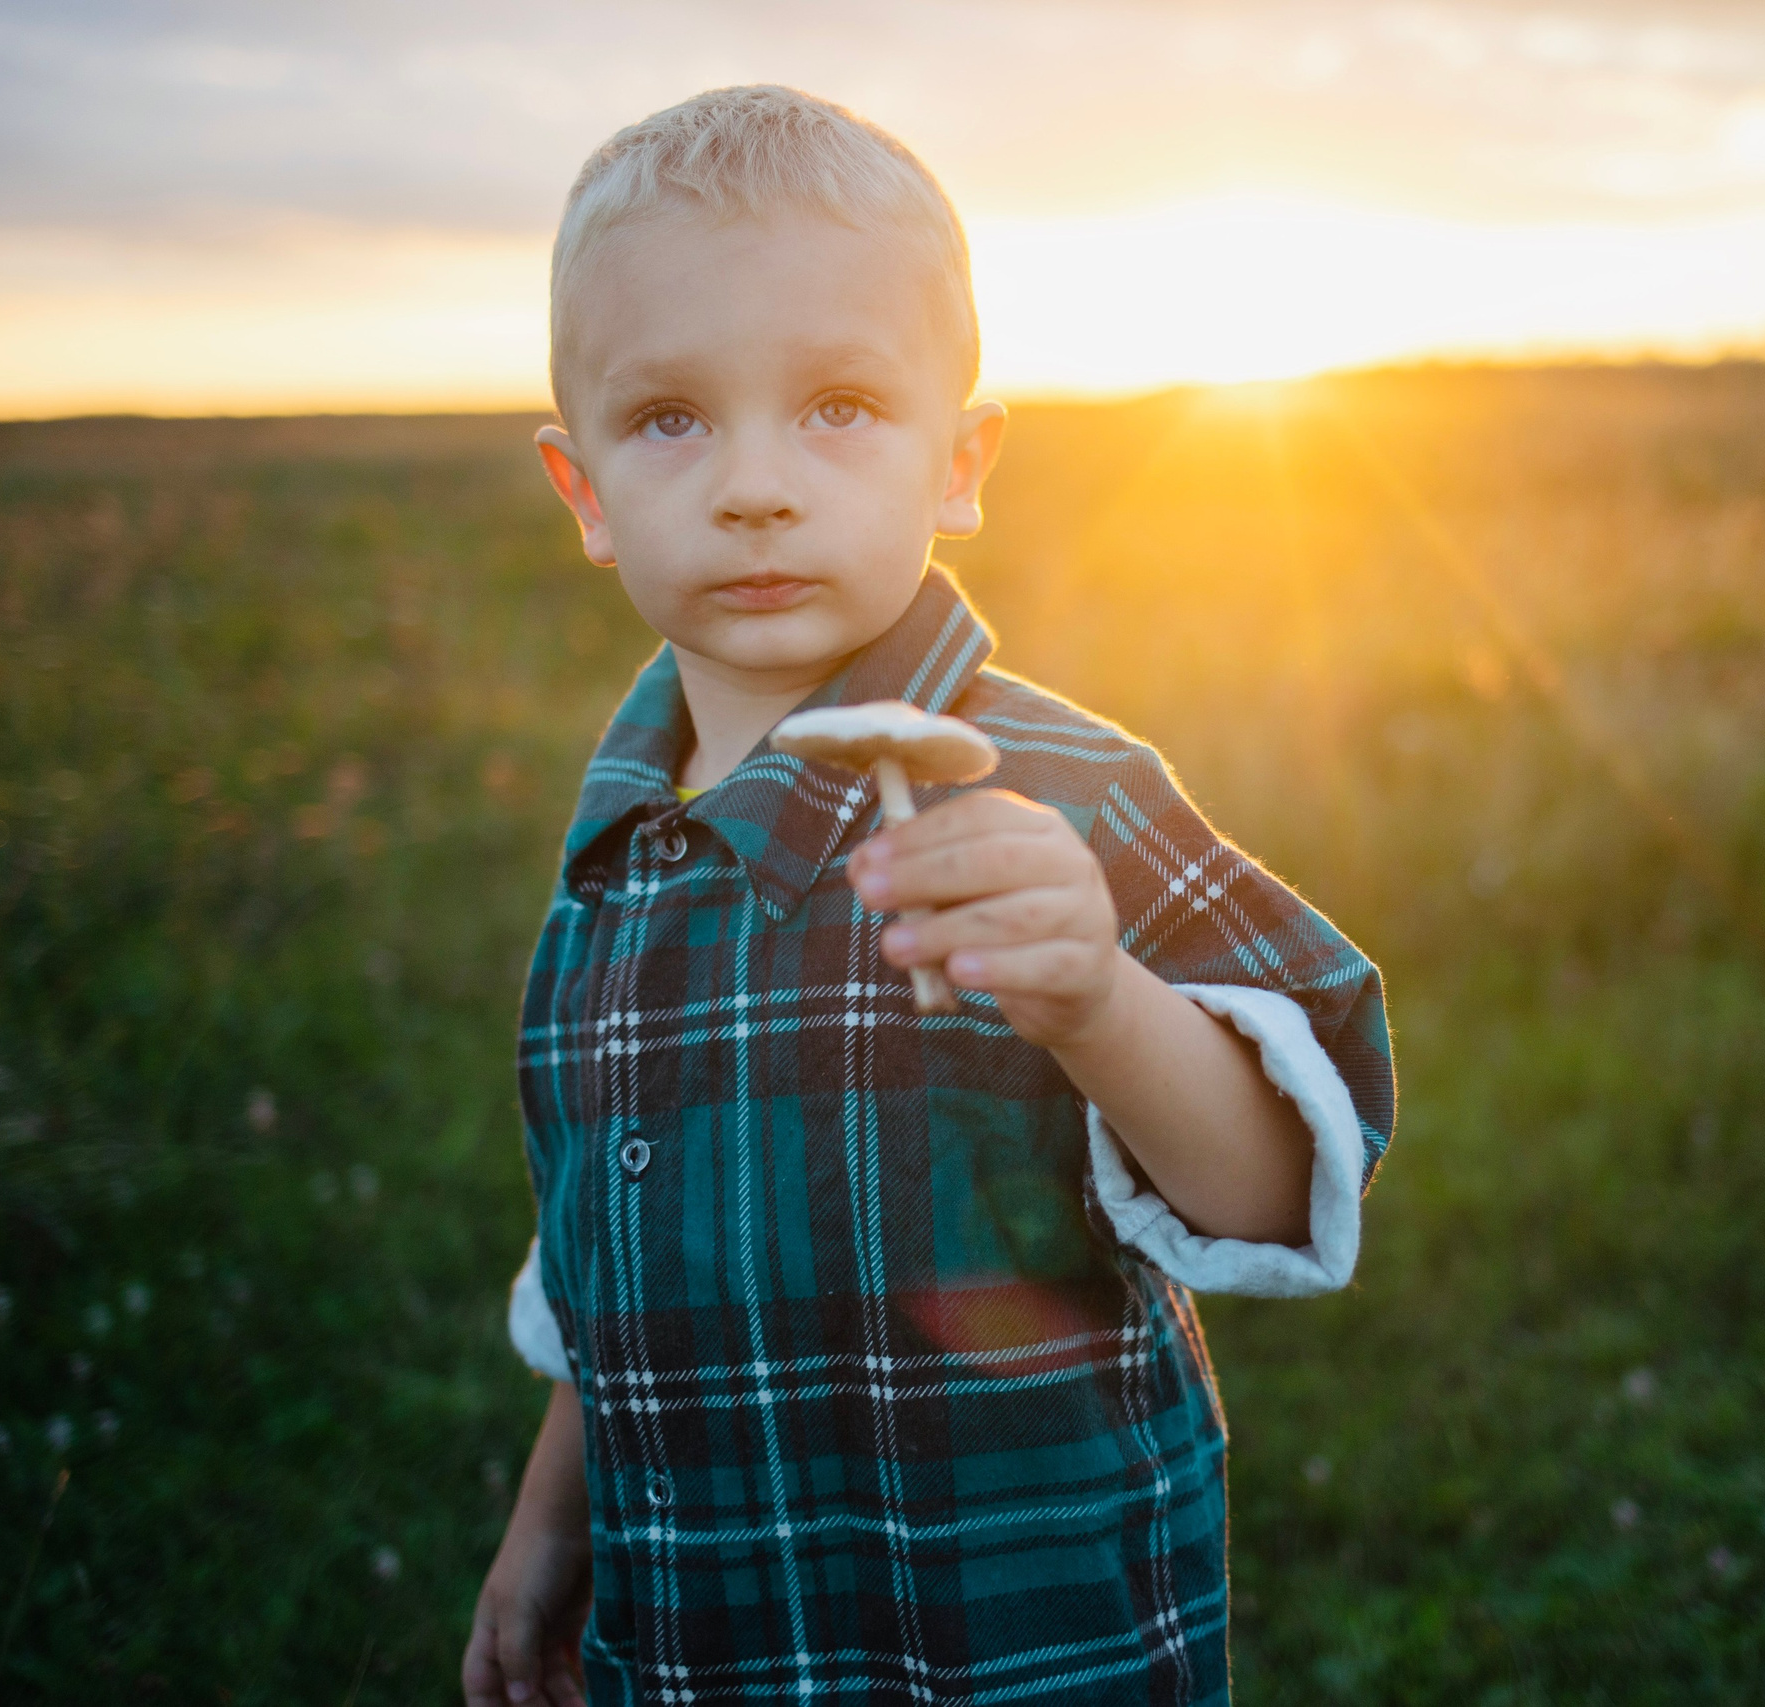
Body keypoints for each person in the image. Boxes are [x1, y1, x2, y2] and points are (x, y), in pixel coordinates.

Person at [462, 85, 1393, 1707]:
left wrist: (1102, 1001)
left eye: (837, 406)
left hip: (1019, 1645)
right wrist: (557, 1518)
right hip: (707, 1645)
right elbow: (618, 1252)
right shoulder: (616, 859)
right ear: (587, 493)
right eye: (672, 417)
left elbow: (1275, 1183)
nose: (755, 484)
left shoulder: (1059, 792)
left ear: (958, 464)